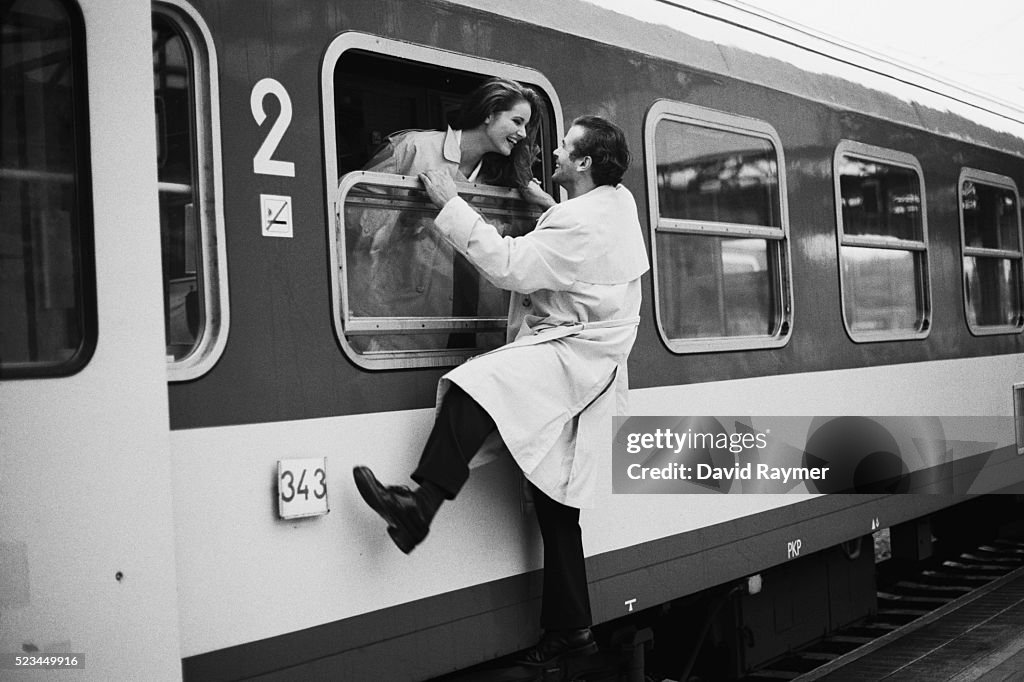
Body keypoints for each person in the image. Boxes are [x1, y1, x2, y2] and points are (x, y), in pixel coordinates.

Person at [352, 116, 649, 666]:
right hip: (594, 366)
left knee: (474, 387)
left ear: (583, 164)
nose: (554, 151)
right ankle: (573, 634)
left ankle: (419, 506)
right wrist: (544, 201)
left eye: (565, 148)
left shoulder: (578, 223)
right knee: (557, 503)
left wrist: (449, 203)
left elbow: (512, 267)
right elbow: (581, 237)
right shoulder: (616, 202)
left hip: (573, 355)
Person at [346, 78, 543, 352]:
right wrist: (402, 220)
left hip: (473, 321)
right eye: (517, 121)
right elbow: (352, 219)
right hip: (402, 319)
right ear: (489, 113)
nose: (522, 133)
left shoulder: (498, 177)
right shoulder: (413, 148)